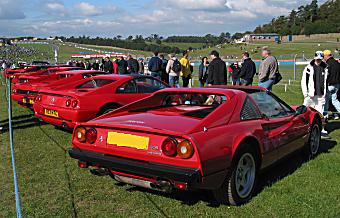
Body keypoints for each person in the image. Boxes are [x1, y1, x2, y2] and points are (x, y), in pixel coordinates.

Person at [301, 51, 329, 137]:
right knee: (306, 111)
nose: (318, 61)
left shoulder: (325, 68)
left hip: (320, 95)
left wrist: (325, 93)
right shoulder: (308, 68)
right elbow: (303, 82)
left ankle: (320, 130)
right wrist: (305, 93)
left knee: (320, 113)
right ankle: (303, 128)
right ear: (314, 58)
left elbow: (326, 82)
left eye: (320, 59)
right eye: (317, 59)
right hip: (310, 95)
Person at [323, 50, 340, 120]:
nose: (323, 57)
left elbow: (326, 76)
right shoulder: (337, 63)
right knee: (335, 100)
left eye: (324, 56)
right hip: (337, 85)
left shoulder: (327, 64)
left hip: (330, 85)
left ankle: (325, 115)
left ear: (326, 56)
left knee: (326, 101)